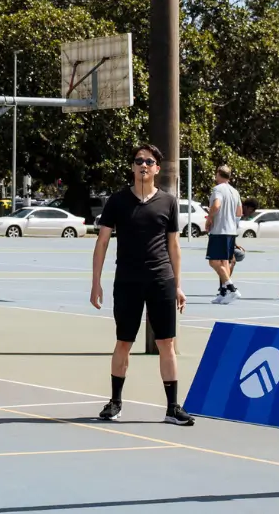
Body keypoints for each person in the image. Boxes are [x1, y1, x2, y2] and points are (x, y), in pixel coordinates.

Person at [89, 143, 195, 426]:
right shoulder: (118, 201)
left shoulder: (168, 202)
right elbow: (101, 243)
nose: (143, 165)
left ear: (157, 169)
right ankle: (115, 403)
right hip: (127, 281)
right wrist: (95, 283)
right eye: (138, 161)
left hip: (161, 280)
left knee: (166, 343)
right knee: (123, 341)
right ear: (133, 167)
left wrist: (178, 285)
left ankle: (172, 407)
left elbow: (174, 246)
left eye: (148, 162)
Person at [203, 165, 243, 304]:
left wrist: (209, 219)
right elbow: (239, 212)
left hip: (219, 230)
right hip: (231, 231)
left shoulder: (218, 189)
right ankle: (224, 292)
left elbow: (217, 205)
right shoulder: (234, 191)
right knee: (224, 261)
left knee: (213, 261)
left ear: (219, 174)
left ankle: (232, 289)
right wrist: (233, 225)